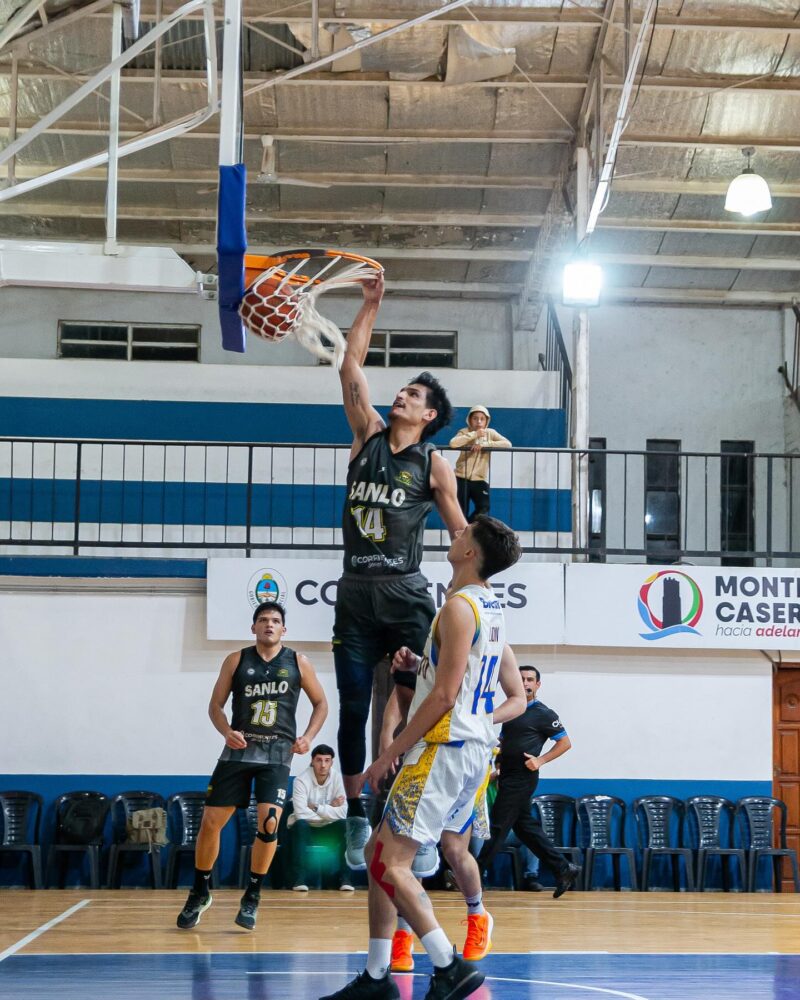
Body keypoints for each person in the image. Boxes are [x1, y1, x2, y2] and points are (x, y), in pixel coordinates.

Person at [320, 515, 527, 1000]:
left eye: (464, 533)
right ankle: (377, 975)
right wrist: (423, 666)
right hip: (471, 751)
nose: (456, 533)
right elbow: (467, 678)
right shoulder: (490, 608)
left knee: (392, 863)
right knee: (379, 855)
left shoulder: (458, 607)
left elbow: (445, 697)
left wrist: (388, 752)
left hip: (443, 748)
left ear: (472, 553)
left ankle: (448, 964)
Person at [334, 271, 466, 870]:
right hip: (356, 591)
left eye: (413, 394)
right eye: (402, 390)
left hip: (407, 594)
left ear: (430, 413)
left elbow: (461, 534)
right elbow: (349, 366)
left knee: (423, 706)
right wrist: (370, 305)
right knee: (354, 704)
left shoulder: (434, 464)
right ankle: (356, 815)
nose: (402, 396)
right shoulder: (366, 435)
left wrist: (473, 592)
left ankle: (422, 819)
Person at [176, 601, 327, 932]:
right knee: (210, 823)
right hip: (239, 753)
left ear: (284, 629)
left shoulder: (298, 662)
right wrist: (225, 731)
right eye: (263, 620)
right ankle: (200, 891)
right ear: (253, 627)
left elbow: (321, 703)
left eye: (275, 620)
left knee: (269, 824)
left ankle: (253, 895)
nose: (269, 624)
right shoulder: (236, 660)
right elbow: (215, 706)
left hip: (277, 756)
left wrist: (308, 737)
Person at [478, 665, 581, 900]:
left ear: (537, 685)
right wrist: (498, 760)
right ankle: (563, 868)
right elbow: (506, 742)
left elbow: (565, 742)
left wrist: (540, 760)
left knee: (498, 825)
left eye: (530, 679)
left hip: (522, 777)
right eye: (521, 678)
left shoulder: (544, 713)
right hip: (507, 775)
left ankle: (472, 874)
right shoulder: (512, 711)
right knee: (524, 827)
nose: (525, 683)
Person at [288, 744, 353, 892]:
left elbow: (343, 812)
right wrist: (331, 808)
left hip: (328, 829)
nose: (323, 765)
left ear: (331, 762)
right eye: (319, 760)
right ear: (312, 761)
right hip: (306, 830)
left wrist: (317, 808)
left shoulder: (338, 779)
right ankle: (299, 879)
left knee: (345, 825)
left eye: (327, 760)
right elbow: (301, 814)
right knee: (301, 824)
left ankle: (345, 879)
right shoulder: (300, 780)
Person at [449, 405, 511, 521]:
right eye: (475, 418)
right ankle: (462, 529)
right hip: (461, 478)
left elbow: (507, 444)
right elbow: (453, 443)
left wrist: (485, 444)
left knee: (484, 506)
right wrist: (475, 434)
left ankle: (468, 527)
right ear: (469, 420)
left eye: (482, 419)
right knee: (461, 510)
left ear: (487, 421)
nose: (478, 422)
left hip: (479, 479)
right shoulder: (464, 431)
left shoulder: (490, 433)